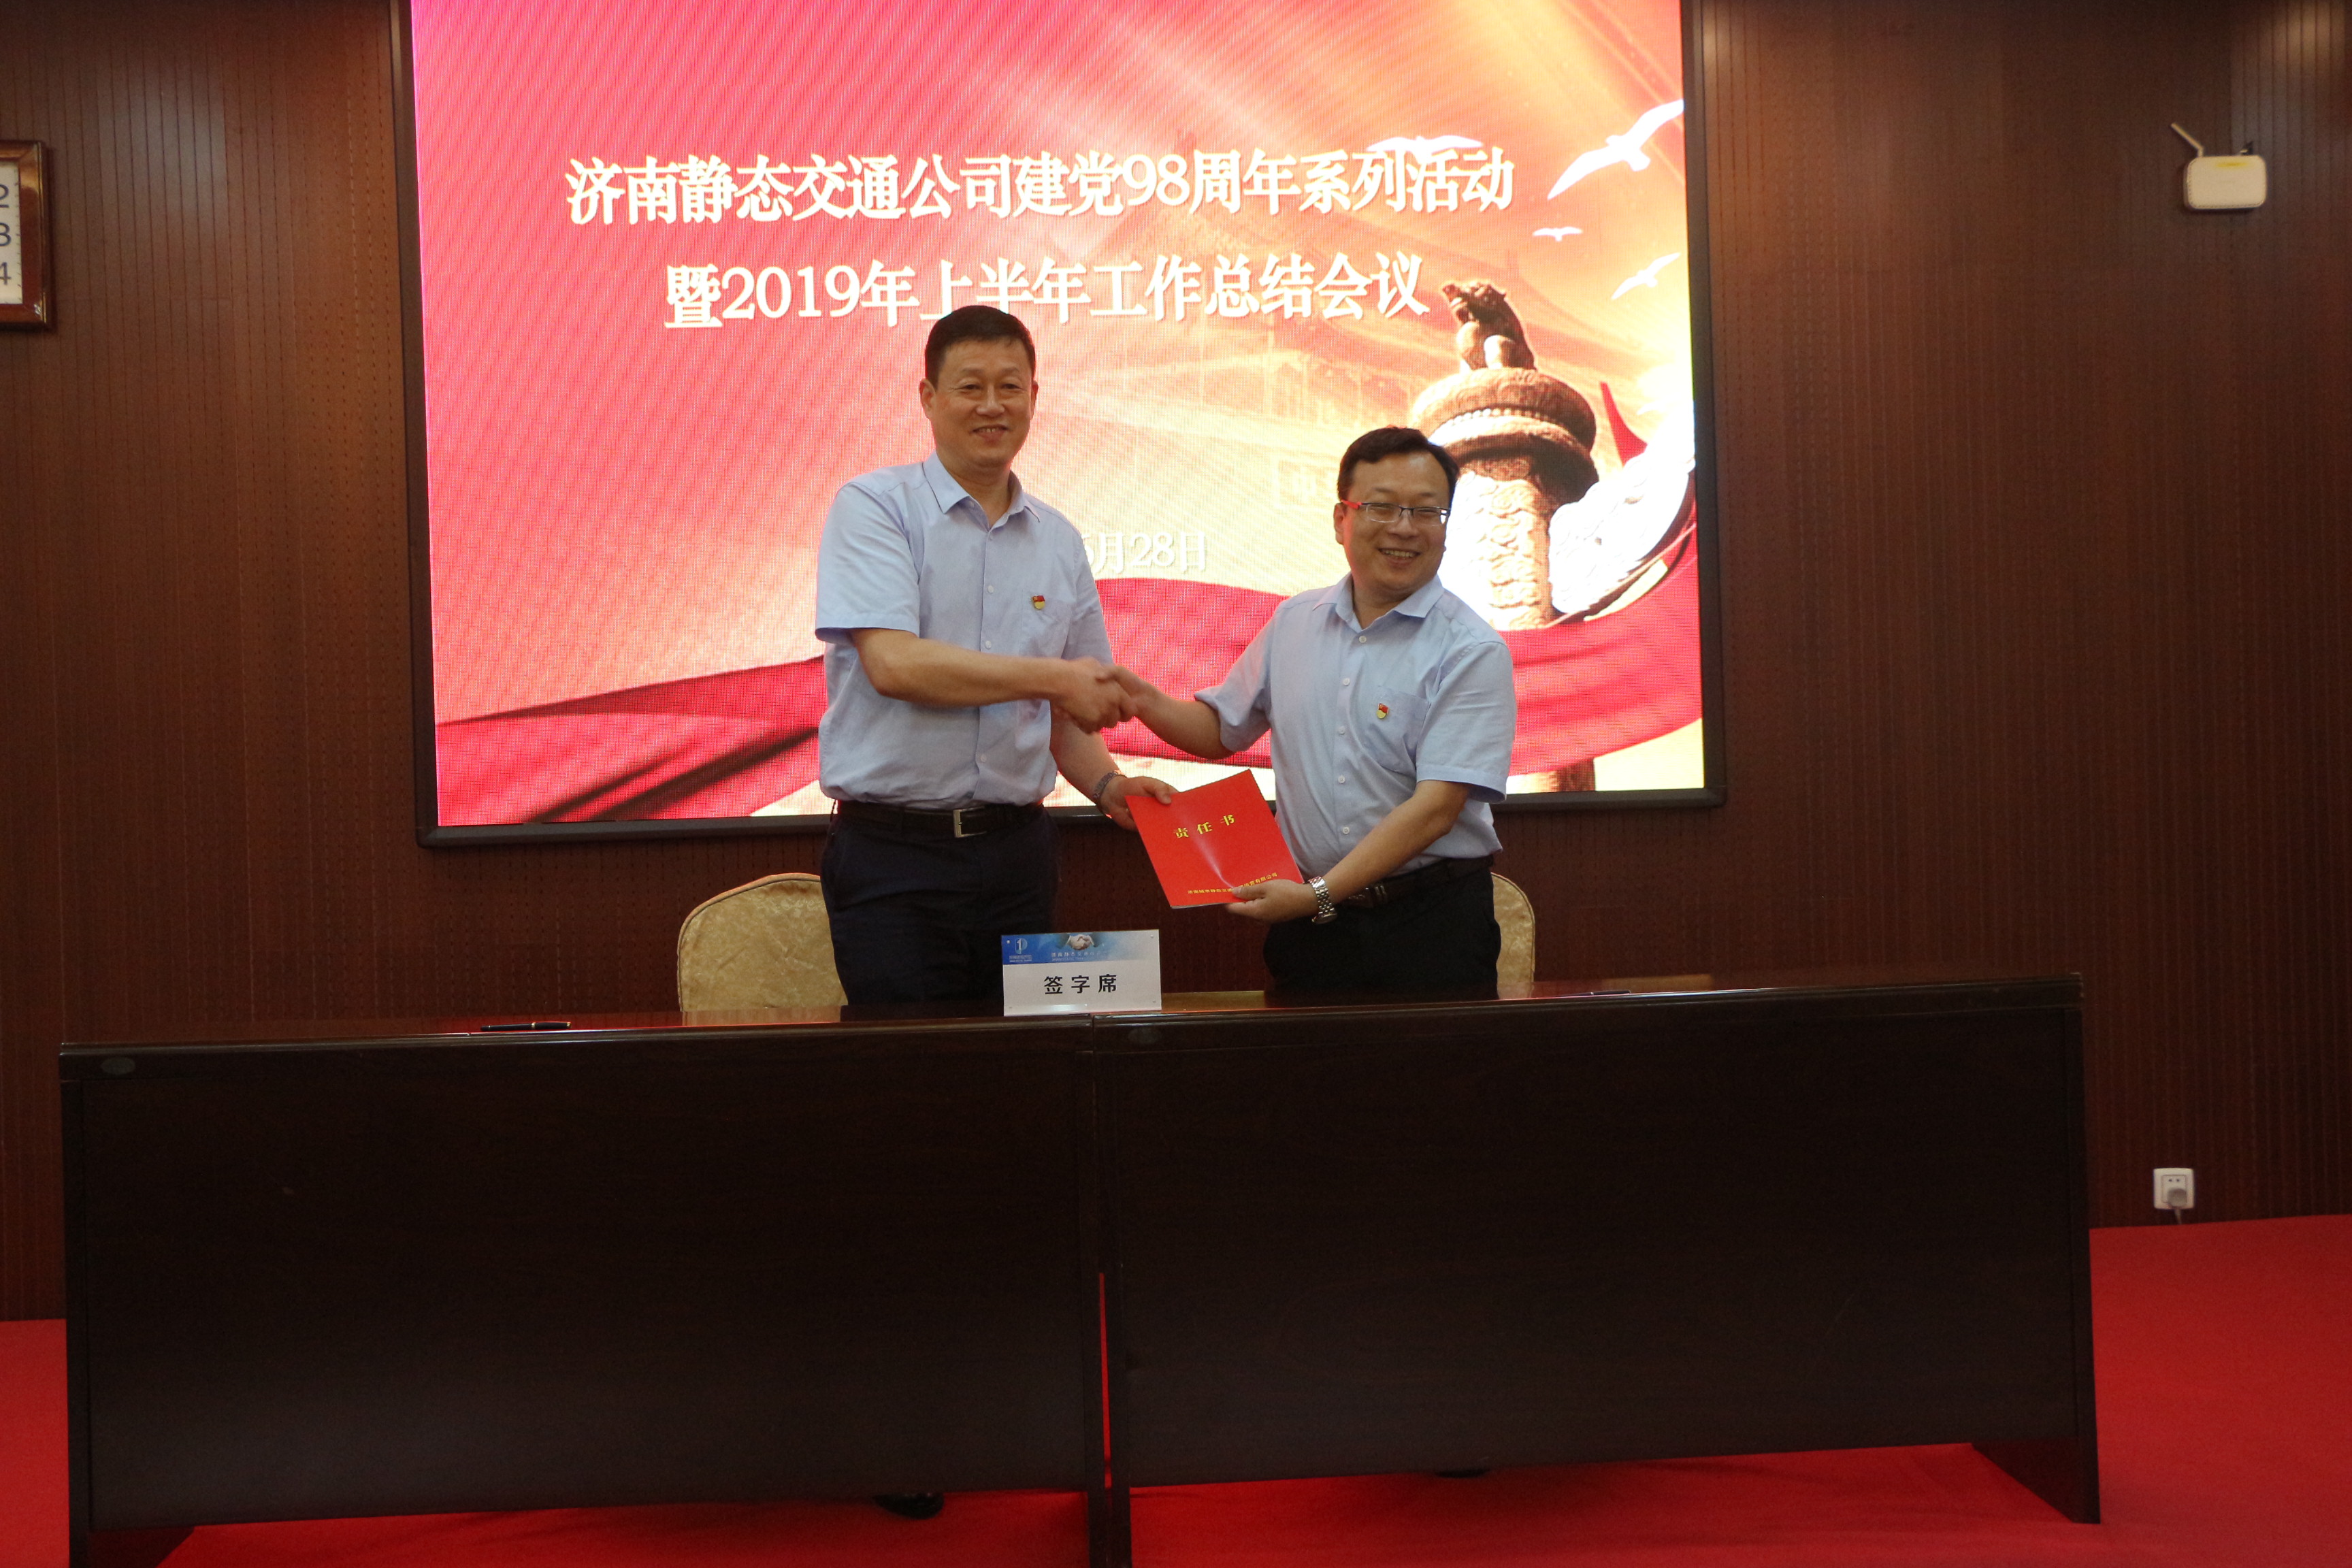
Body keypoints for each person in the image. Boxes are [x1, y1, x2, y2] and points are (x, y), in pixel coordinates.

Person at [813, 305, 1174, 1008]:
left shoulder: (1058, 540)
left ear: (1034, 397)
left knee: (1023, 1061)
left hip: (1017, 856)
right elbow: (895, 666)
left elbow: (1070, 712)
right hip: (895, 857)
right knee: (911, 1062)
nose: (992, 406)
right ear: (928, 397)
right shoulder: (875, 508)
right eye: (970, 387)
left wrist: (1108, 786)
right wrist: (1054, 678)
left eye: (1010, 387)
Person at [1113, 427, 1516, 994]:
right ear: (1340, 519)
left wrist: (1318, 894)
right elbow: (1220, 731)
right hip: (1308, 923)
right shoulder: (1294, 622)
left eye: (1426, 512)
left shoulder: (1472, 650)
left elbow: (1435, 810)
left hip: (1430, 923)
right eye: (1380, 507)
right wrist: (1139, 696)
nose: (1404, 527)